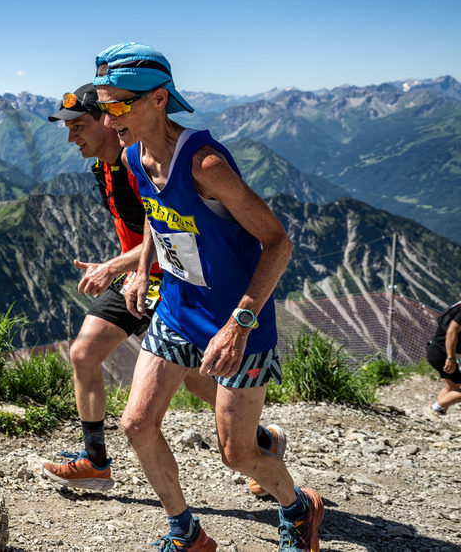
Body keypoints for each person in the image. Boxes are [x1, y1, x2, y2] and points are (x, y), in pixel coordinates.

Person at [94, 42, 322, 551]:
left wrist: (239, 323)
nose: (108, 122)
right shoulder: (134, 155)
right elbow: (157, 215)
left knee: (237, 454)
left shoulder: (206, 164)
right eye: (103, 107)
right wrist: (142, 269)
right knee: (136, 422)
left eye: (117, 106)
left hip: (237, 322)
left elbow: (278, 241)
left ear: (158, 100)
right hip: (179, 306)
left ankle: (299, 506)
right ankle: (186, 532)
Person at [40, 84, 287, 500]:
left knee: (196, 379)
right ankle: (97, 461)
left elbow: (179, 220)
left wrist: (118, 268)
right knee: (89, 355)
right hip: (148, 277)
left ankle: (258, 445)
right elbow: (157, 223)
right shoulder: (110, 165)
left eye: (80, 125)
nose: (72, 137)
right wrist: (130, 268)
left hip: (168, 281)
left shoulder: (153, 158)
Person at [425, 300, 461, 416]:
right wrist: (451, 358)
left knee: (452, 386)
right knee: (454, 385)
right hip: (442, 353)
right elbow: (451, 332)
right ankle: (434, 409)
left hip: (435, 350)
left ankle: (436, 414)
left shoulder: (458, 305)